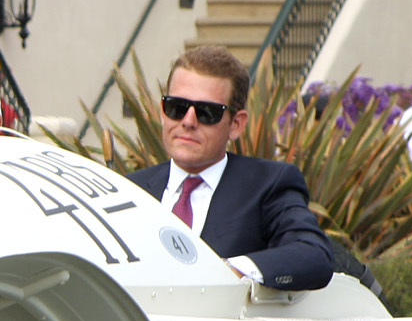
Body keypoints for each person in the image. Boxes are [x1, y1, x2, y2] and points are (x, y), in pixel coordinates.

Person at [126, 45, 335, 291]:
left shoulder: (269, 185)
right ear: (163, 111)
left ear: (236, 124)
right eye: (177, 107)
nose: (188, 122)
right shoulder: (129, 189)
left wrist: (228, 272)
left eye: (207, 112)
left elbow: (313, 255)